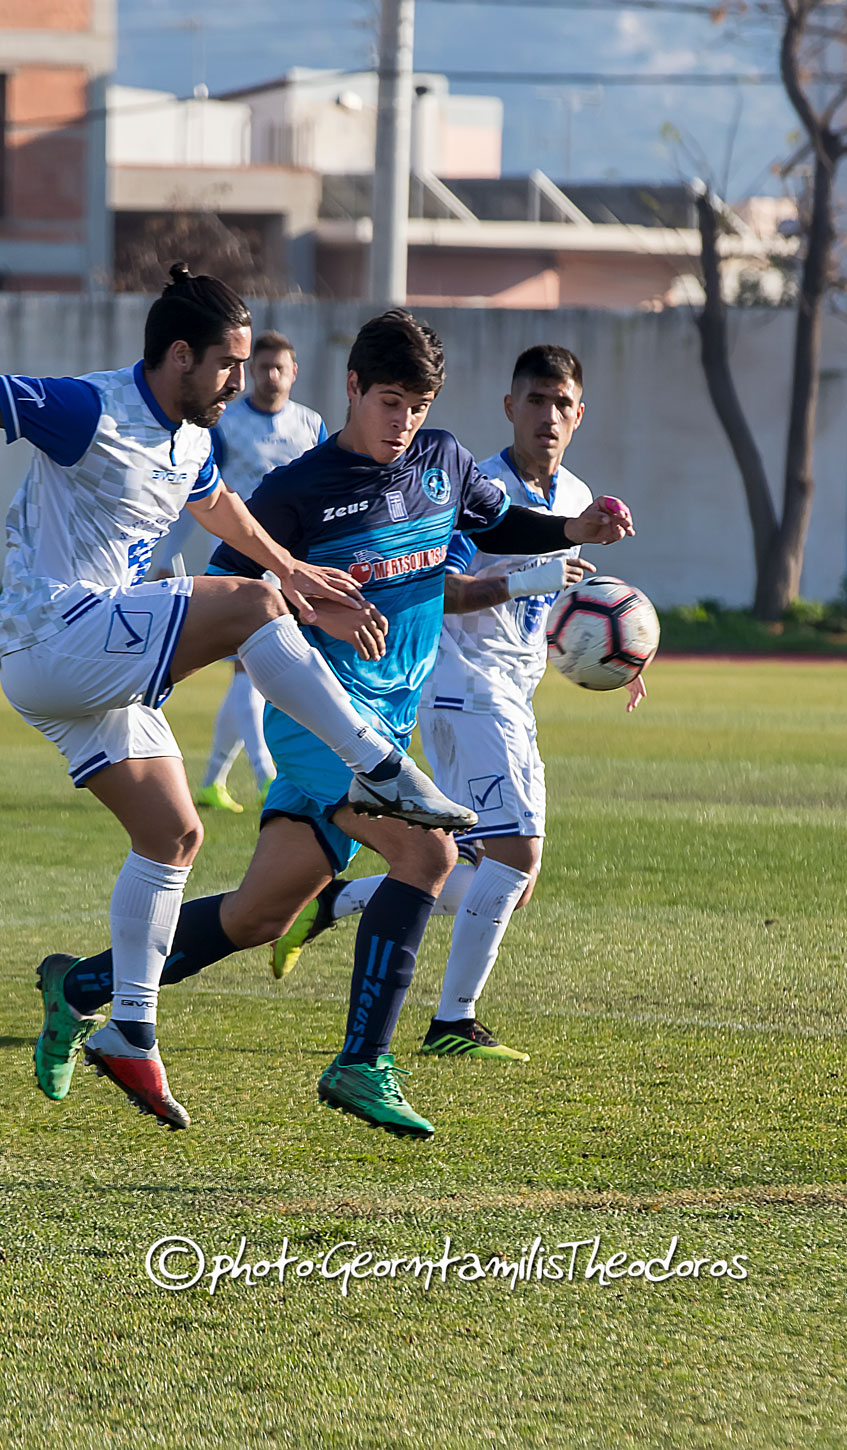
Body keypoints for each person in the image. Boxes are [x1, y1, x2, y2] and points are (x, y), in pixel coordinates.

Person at [0, 266, 477, 1134]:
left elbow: (225, 517)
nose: (241, 383)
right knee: (249, 605)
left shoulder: (191, 443)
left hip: (85, 668)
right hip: (57, 636)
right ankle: (382, 769)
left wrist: (294, 571)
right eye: (227, 365)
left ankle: (126, 1027)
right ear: (180, 355)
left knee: (174, 834)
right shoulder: (90, 409)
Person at [36, 311, 636, 1139]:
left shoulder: (443, 460)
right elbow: (230, 601)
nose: (404, 424)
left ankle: (80, 988)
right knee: (426, 853)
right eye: (390, 403)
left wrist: (573, 529)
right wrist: (311, 600)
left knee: (261, 916)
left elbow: (495, 523)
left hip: (392, 721)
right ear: (351, 388)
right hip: (320, 712)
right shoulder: (297, 491)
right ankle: (363, 1062)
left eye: (418, 407)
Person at [265, 344, 643, 1064]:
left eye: (562, 404)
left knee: (503, 878)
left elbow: (565, 613)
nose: (548, 417)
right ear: (509, 407)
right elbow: (446, 591)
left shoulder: (573, 497)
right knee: (516, 854)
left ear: (579, 415)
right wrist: (532, 577)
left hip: (512, 693)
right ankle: (451, 1023)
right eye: (535, 401)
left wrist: (615, 658)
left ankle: (333, 903)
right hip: (457, 687)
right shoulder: (476, 485)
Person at [189, 331, 329, 817]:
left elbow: (324, 492)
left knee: (247, 673)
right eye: (262, 367)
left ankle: (211, 781)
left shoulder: (311, 425)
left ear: (295, 372)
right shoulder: (227, 423)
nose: (270, 376)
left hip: (292, 565)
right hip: (240, 564)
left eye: (279, 368)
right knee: (253, 670)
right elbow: (199, 489)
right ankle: (266, 775)